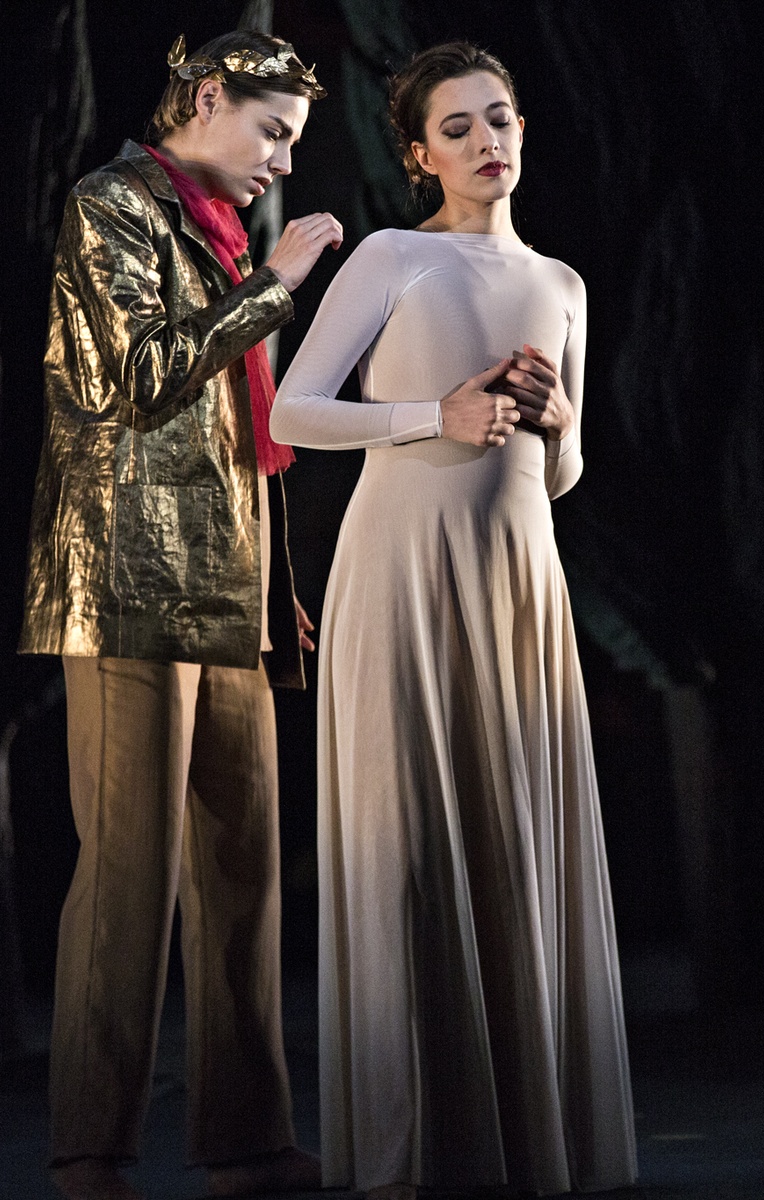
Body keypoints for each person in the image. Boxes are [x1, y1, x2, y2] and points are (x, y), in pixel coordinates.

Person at [271, 41, 638, 1198]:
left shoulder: (563, 285)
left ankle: (524, 1138)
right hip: (403, 570)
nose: (489, 141)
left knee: (517, 838)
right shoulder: (395, 257)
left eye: (501, 118)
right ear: (420, 153)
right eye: (460, 126)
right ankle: (414, 1147)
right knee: (414, 848)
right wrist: (438, 411)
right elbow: (292, 411)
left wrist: (560, 422)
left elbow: (559, 475)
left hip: (519, 579)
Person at [19, 30, 344, 1200]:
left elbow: (237, 437)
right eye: (272, 134)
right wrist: (275, 287)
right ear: (206, 97)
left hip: (229, 590)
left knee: (243, 869)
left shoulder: (216, 226)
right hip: (127, 586)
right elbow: (135, 378)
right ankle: (89, 1150)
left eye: (293, 143)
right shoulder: (111, 203)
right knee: (128, 874)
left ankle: (246, 1143)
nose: (282, 163)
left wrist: (274, 582)